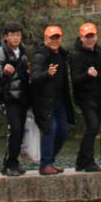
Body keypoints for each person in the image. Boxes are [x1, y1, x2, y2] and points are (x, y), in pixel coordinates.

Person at [32, 24, 76, 175]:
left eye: (57, 37)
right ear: (46, 39)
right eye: (52, 38)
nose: (54, 40)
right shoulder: (40, 56)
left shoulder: (62, 54)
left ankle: (49, 161)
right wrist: (47, 73)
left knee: (63, 132)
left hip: (60, 101)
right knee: (51, 130)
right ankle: (45, 164)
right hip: (44, 102)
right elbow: (34, 77)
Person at [0, 23, 32, 176]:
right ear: (6, 37)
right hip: (8, 97)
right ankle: (10, 164)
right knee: (15, 129)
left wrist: (28, 73)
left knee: (20, 131)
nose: (16, 38)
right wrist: (4, 73)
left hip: (22, 96)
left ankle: (12, 162)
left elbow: (25, 75)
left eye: (18, 35)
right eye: (12, 35)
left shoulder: (23, 51)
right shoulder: (1, 52)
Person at [70, 22, 101, 172]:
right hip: (84, 97)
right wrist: (87, 74)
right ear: (81, 38)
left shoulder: (98, 51)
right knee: (92, 125)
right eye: (87, 37)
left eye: (92, 36)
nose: (90, 39)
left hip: (98, 95)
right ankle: (88, 161)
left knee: (95, 127)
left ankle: (81, 161)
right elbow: (75, 79)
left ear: (96, 36)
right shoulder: (75, 55)